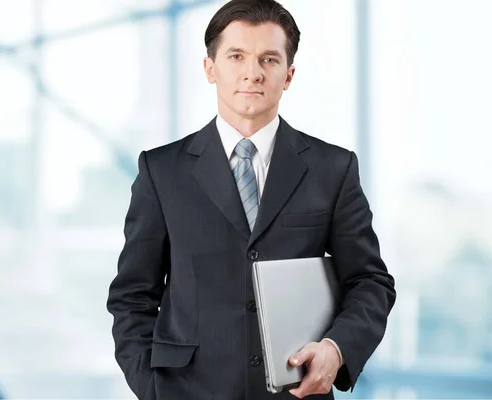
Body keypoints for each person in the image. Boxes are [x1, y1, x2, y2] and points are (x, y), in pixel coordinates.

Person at [106, 0, 396, 398]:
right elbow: (132, 297)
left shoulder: (333, 169)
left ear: (289, 74)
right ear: (210, 68)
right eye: (236, 56)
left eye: (269, 59)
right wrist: (151, 389)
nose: (253, 73)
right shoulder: (162, 171)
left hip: (296, 392)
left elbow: (370, 281)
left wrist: (336, 349)